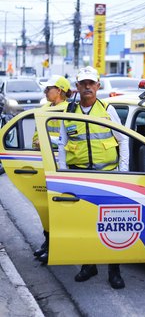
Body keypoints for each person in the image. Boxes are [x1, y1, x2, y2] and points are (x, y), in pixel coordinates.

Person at [58, 66, 129, 289]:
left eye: (91, 83)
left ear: (98, 86)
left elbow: (124, 140)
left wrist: (123, 173)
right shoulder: (69, 112)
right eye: (83, 83)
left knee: (112, 225)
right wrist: (62, 175)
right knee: (85, 224)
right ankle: (89, 265)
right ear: (77, 87)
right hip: (80, 177)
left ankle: (114, 270)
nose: (87, 87)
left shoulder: (108, 110)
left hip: (108, 177)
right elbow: (61, 144)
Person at [33, 75, 72, 264]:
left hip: (63, 165)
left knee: (59, 209)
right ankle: (47, 243)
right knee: (46, 207)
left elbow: (71, 140)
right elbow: (35, 140)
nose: (45, 92)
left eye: (48, 88)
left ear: (60, 90)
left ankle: (56, 247)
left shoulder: (70, 110)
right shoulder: (43, 109)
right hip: (46, 163)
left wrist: (49, 142)